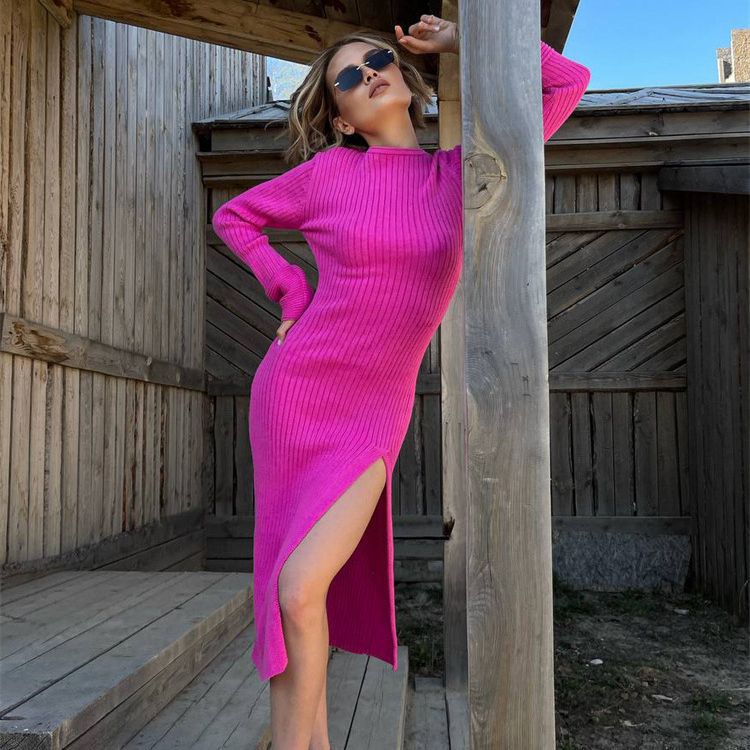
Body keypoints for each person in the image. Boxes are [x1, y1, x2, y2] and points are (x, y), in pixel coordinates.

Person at [211, 14, 590, 750]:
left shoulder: (462, 174)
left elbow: (567, 84)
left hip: (372, 413)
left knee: (300, 588)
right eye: (348, 79)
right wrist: (289, 286)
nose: (369, 75)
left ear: (406, 76)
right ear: (342, 118)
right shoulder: (329, 173)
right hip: (295, 391)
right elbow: (235, 217)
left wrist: (463, 38)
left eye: (377, 60)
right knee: (295, 595)